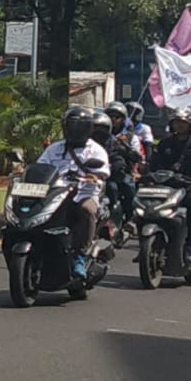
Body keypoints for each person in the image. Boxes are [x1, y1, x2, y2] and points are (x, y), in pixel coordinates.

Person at [35, 107, 111, 279]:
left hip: (83, 194)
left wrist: (93, 176)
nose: (75, 130)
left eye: (79, 127)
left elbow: (103, 172)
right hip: (54, 194)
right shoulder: (54, 149)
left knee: (87, 210)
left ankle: (80, 256)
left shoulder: (96, 150)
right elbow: (41, 166)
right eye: (71, 126)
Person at [148, 106, 191, 258]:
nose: (179, 125)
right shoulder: (165, 142)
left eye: (183, 122)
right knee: (145, 204)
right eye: (176, 122)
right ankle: (146, 242)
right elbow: (154, 162)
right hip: (166, 185)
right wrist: (145, 175)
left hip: (189, 184)